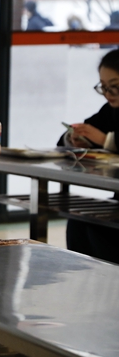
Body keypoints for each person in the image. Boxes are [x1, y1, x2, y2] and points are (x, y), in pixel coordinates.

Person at [58, 49, 119, 263]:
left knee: (99, 232)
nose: (108, 93)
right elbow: (77, 132)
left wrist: (105, 140)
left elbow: (104, 138)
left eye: (115, 86)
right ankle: (86, 277)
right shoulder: (110, 110)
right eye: (103, 87)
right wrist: (76, 138)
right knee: (78, 221)